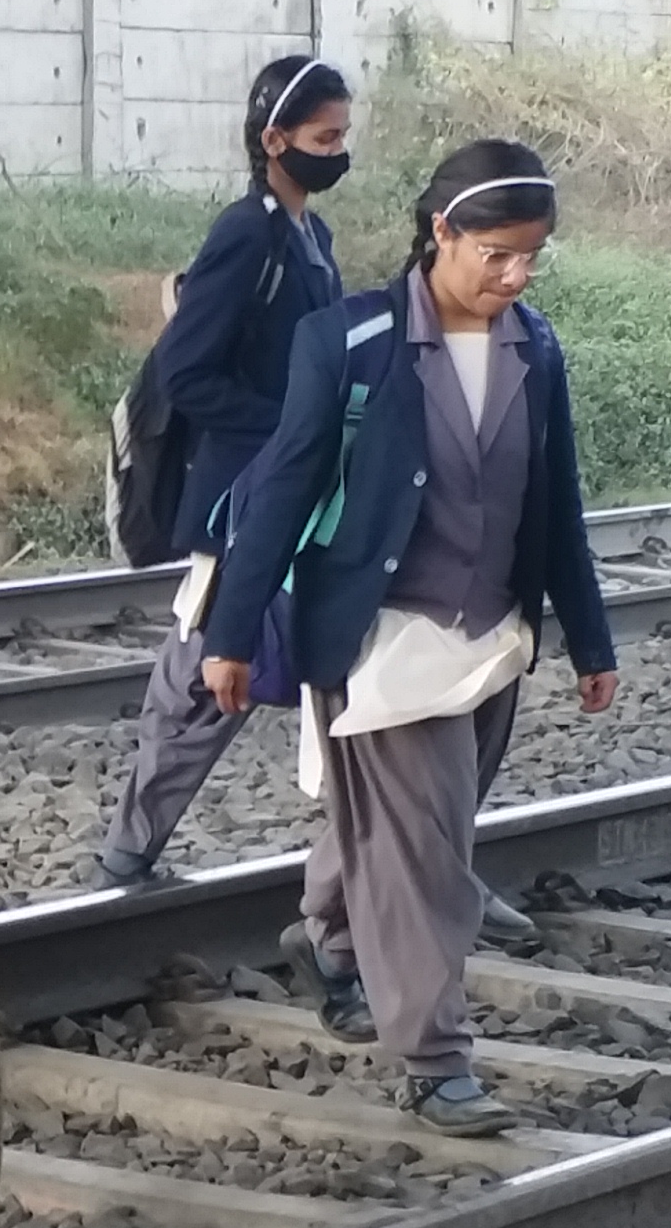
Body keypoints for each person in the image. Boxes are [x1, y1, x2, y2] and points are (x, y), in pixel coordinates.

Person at [197, 141, 618, 1138]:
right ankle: (435, 1060)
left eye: (532, 258)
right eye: (498, 254)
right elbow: (286, 489)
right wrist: (231, 635)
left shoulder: (537, 348)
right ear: (442, 233)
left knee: (410, 831)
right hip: (380, 639)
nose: (515, 276)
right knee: (428, 856)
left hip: (491, 638)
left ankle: (332, 942)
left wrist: (590, 640)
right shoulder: (349, 342)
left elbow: (556, 505)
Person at [90, 53, 351, 889]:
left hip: (300, 492)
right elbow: (187, 372)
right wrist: (288, 427)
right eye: (324, 136)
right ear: (274, 138)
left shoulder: (310, 235)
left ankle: (389, 859)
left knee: (329, 681)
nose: (338, 150)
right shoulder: (248, 233)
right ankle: (129, 852)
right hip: (246, 498)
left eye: (344, 135)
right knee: (203, 676)